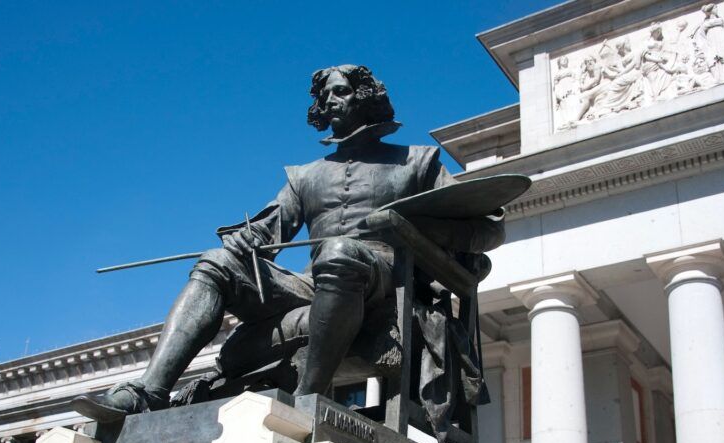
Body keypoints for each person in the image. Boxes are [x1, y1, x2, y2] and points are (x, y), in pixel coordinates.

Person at [73, 65, 503, 422]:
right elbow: (268, 234)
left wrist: (427, 233)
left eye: (340, 92)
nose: (329, 101)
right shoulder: (306, 176)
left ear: (365, 98)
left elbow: (490, 228)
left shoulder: (417, 162)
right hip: (316, 283)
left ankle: (306, 400)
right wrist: (246, 241)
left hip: (385, 282)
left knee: (339, 253)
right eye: (325, 96)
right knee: (216, 260)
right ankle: (149, 392)